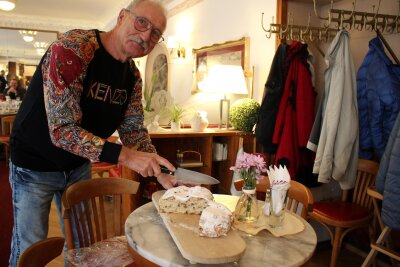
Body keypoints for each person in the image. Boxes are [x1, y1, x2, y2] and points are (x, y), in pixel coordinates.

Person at [8, 0, 178, 266]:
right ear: (122, 17)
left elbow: (133, 130)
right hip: (34, 164)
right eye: (141, 22)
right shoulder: (73, 49)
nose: (146, 35)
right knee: (31, 248)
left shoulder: (132, 76)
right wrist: (124, 156)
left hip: (77, 165)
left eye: (155, 32)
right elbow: (63, 131)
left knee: (83, 246)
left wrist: (162, 172)